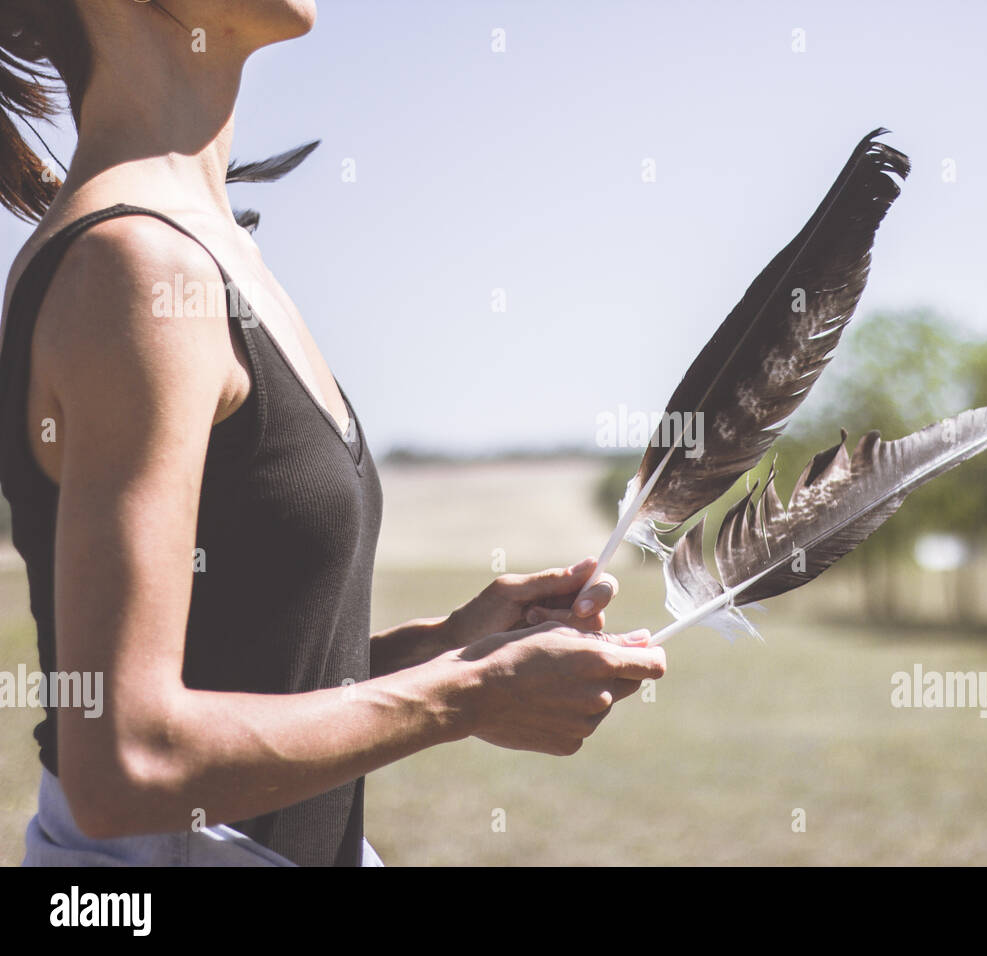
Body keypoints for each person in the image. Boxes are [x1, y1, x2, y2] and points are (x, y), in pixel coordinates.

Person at [0, 0, 664, 867]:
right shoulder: (133, 267)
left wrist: (447, 646)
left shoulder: (213, 253)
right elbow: (127, 760)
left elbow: (240, 671)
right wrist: (464, 696)